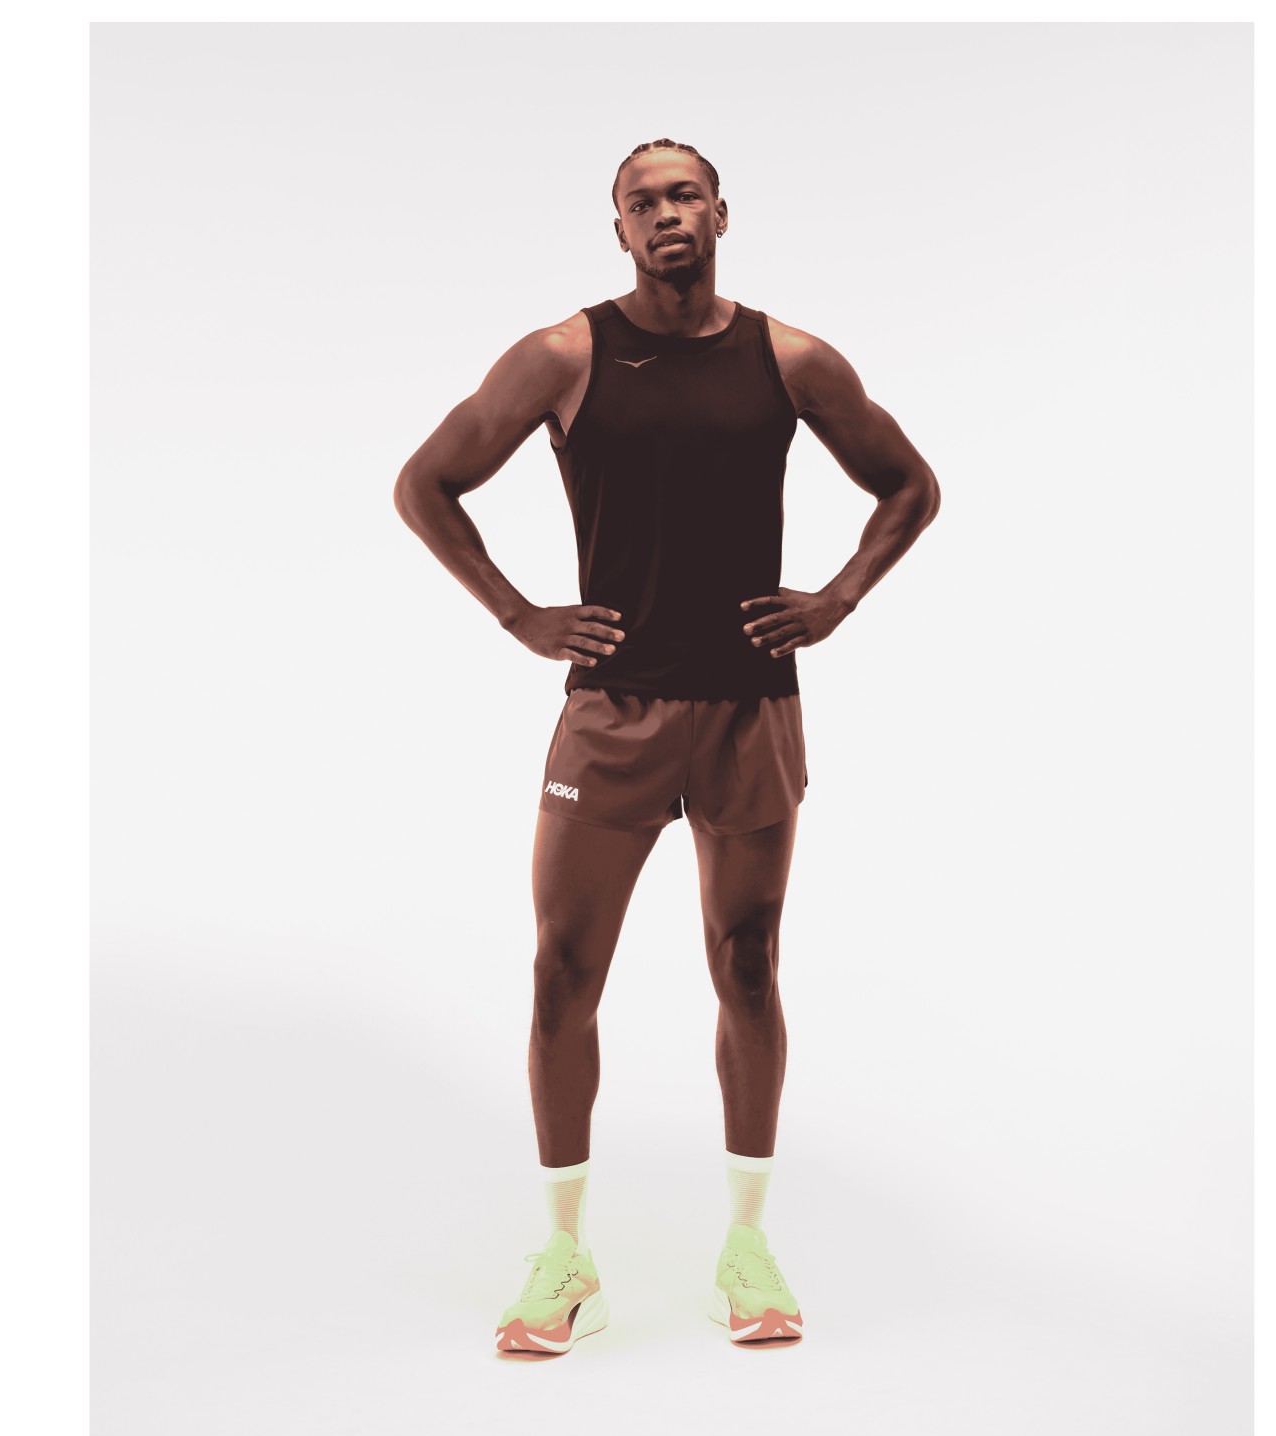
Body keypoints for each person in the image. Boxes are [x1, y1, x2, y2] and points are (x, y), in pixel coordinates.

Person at [393, 137, 940, 1355]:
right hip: (614, 713)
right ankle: (564, 1255)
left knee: (746, 964)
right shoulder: (563, 357)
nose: (665, 213)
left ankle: (746, 1245)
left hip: (750, 709)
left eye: (684, 193)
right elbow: (426, 482)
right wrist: (518, 615)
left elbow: (909, 484)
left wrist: (837, 599)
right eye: (640, 202)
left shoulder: (791, 359)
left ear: (722, 213)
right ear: (621, 232)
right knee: (562, 972)